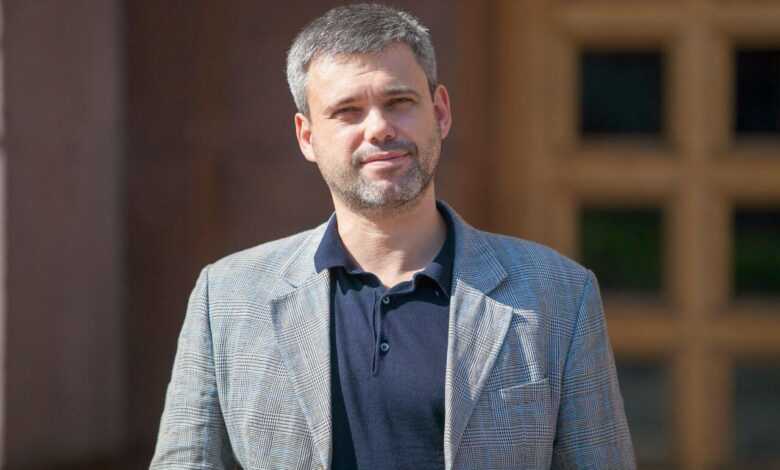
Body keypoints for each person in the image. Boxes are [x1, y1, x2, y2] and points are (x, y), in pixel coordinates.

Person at [150, 4, 635, 470]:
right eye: (347, 111)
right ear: (306, 137)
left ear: (440, 112)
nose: (379, 128)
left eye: (398, 102)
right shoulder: (228, 297)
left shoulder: (557, 295)